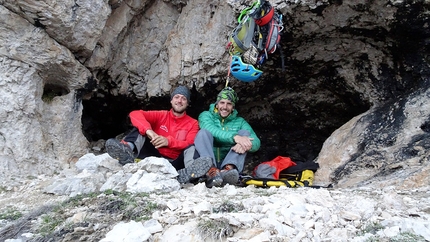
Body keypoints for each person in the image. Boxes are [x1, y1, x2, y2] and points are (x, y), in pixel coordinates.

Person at [105, 85, 212, 184]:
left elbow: (189, 142)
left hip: (176, 162)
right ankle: (127, 151)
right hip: (153, 155)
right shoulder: (161, 115)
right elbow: (135, 114)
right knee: (141, 129)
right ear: (171, 100)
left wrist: (168, 141)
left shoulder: (193, 123)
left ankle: (191, 172)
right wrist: (149, 131)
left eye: (183, 98)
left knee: (192, 148)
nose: (179, 101)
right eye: (177, 97)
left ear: (188, 103)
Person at [194, 87, 261, 187]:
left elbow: (256, 142)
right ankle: (210, 170)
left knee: (245, 134)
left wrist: (245, 144)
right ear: (217, 104)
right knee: (203, 133)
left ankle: (228, 169)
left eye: (229, 104)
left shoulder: (240, 121)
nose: (225, 107)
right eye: (222, 102)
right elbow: (211, 130)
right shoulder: (206, 115)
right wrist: (235, 137)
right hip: (208, 160)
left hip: (229, 160)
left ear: (233, 107)